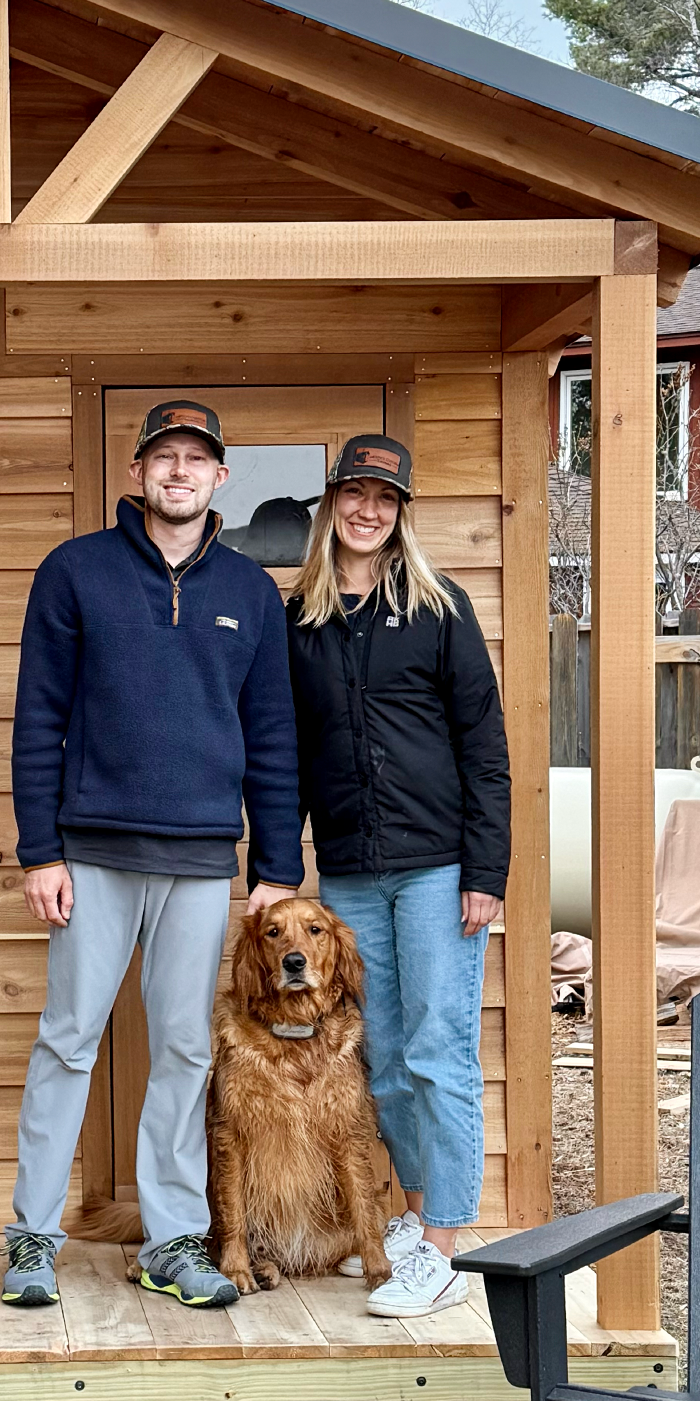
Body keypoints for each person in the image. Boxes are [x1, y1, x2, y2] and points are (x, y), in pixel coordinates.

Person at [0, 399, 305, 1312]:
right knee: (68, 1040)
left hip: (201, 861)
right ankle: (31, 1237)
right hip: (92, 853)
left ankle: (171, 1240)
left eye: (195, 459)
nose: (179, 471)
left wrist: (276, 869)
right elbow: (38, 718)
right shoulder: (74, 572)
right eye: (163, 456)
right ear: (137, 472)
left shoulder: (251, 592)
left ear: (220, 477)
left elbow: (273, 736)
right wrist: (40, 850)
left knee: (182, 1048)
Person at [284, 434, 509, 1318]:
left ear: (401, 511)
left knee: (437, 1049)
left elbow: (485, 749)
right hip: (349, 872)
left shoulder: (439, 607)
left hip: (438, 868)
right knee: (380, 1056)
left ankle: (446, 1247)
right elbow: (288, 755)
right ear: (331, 503)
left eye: (385, 497)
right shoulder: (300, 620)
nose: (368, 510)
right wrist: (283, 860)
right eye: (354, 493)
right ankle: (417, 1217)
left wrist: (485, 869)